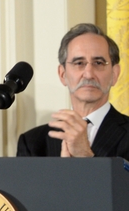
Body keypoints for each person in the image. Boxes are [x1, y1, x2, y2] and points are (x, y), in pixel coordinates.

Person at [17, 23, 129, 159]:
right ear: (62, 74)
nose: (88, 74)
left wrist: (85, 156)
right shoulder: (33, 142)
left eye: (98, 63)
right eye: (79, 63)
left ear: (115, 74)